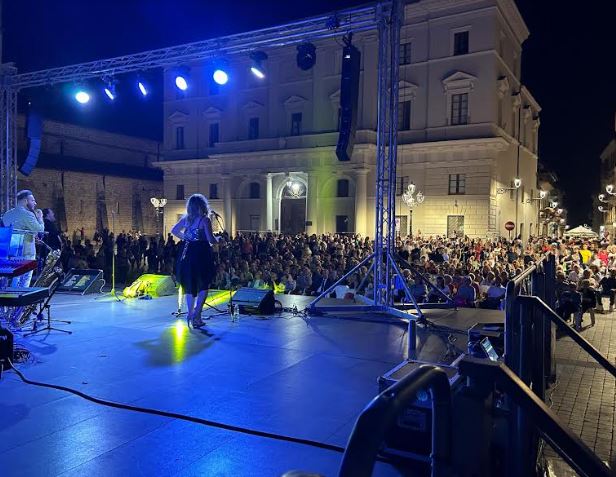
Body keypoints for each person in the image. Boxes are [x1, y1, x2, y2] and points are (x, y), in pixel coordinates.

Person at [171, 194, 220, 328]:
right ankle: (197, 315)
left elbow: (174, 230)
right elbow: (210, 239)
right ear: (203, 206)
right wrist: (219, 240)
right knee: (204, 284)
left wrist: (186, 236)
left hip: (187, 253)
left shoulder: (186, 219)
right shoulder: (204, 220)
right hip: (201, 254)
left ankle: (190, 313)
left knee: (189, 285)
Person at [2, 190, 45, 287]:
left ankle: (11, 298)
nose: (35, 203)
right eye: (33, 200)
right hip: (26, 251)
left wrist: (33, 235)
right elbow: (40, 229)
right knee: (25, 278)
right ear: (26, 201)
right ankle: (21, 299)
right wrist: (40, 218)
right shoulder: (27, 214)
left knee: (14, 276)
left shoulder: (7, 214)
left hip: (10, 252)